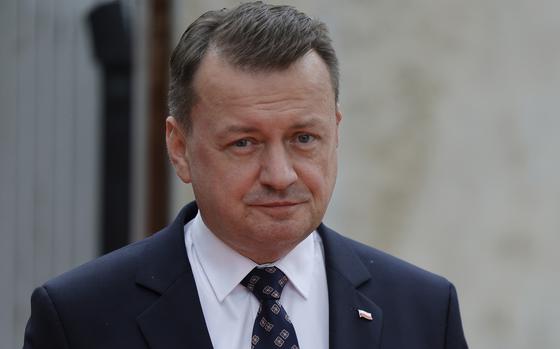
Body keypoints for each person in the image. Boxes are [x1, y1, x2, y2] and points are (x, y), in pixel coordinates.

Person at [23, 2, 468, 348]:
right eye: (244, 143)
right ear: (179, 149)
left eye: (303, 138)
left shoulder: (424, 311)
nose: (279, 174)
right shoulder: (79, 319)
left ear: (335, 133)